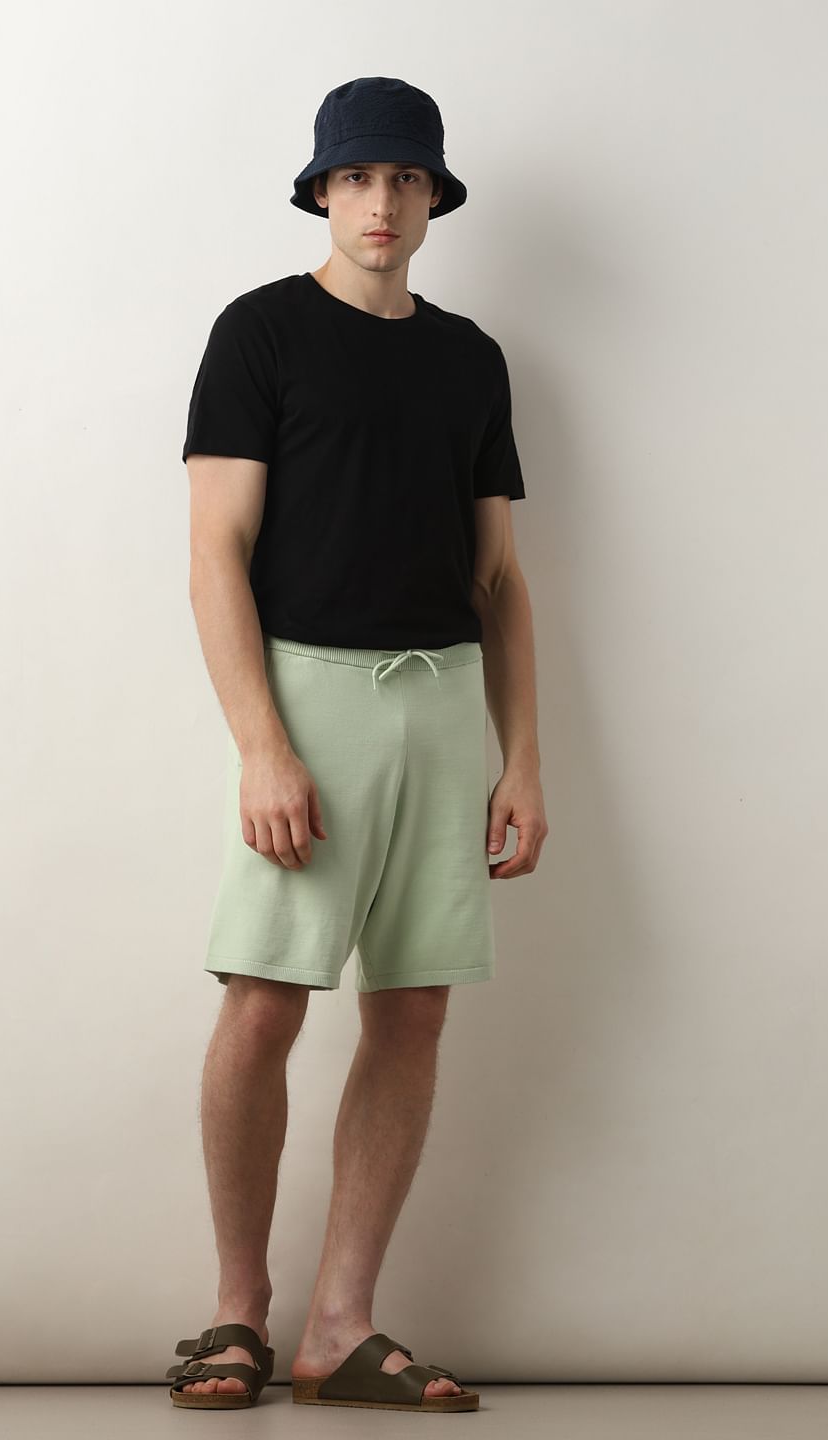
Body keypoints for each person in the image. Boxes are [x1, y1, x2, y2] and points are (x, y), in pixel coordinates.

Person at [166, 76, 547, 1413]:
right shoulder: (261, 333)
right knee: (266, 996)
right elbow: (215, 555)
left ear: (434, 196)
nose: (381, 201)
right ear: (322, 191)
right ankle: (238, 1313)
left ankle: (340, 1326)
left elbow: (499, 578)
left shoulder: (472, 359)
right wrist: (263, 747)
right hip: (309, 692)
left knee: (414, 1005)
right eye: (357, 176)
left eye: (405, 178)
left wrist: (523, 757)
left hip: (443, 694)